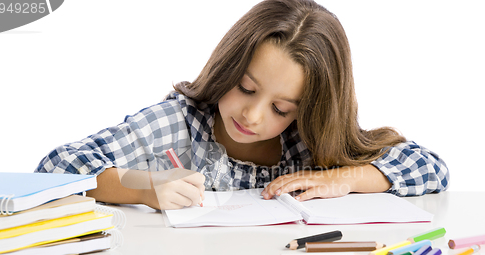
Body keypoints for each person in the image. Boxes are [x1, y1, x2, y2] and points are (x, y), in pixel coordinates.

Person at [35, 0, 449, 210]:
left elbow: (431, 167)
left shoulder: (308, 144)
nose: (252, 116)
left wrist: (344, 179)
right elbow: (53, 171)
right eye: (247, 88)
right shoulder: (177, 124)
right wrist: (145, 189)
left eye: (282, 109)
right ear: (227, 66)